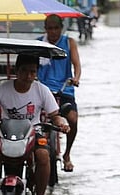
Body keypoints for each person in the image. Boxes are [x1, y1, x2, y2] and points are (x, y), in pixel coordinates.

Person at [0, 54, 70, 195]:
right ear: (16, 71)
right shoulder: (2, 89)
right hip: (4, 135)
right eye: (24, 71)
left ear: (37, 72)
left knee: (44, 155)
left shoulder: (41, 90)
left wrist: (61, 123)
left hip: (33, 134)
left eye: (33, 72)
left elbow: (55, 115)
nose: (28, 76)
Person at [37, 14, 81, 172]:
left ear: (61, 28)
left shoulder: (69, 43)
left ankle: (67, 154)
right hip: (42, 89)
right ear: (45, 29)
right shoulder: (38, 43)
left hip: (64, 89)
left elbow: (76, 64)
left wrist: (75, 78)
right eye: (50, 28)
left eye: (56, 28)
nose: (53, 32)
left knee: (73, 119)